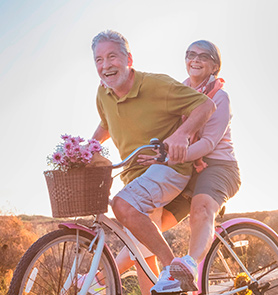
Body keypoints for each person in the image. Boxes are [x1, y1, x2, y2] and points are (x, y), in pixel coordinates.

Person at [88, 30, 216, 293]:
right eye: (99, 60)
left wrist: (182, 135)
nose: (105, 65)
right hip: (135, 176)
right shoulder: (103, 94)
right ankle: (171, 283)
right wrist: (88, 148)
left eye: (112, 56)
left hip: (167, 168)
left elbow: (205, 106)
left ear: (129, 59)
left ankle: (173, 268)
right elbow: (107, 124)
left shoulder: (157, 85)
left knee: (122, 204)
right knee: (142, 258)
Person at [119, 40, 241, 294]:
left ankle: (187, 265)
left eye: (203, 56)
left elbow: (207, 144)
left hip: (218, 166)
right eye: (190, 54)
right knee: (148, 224)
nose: (195, 60)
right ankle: (101, 277)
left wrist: (169, 158)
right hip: (185, 168)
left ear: (214, 66)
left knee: (201, 208)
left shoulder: (220, 97)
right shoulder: (180, 89)